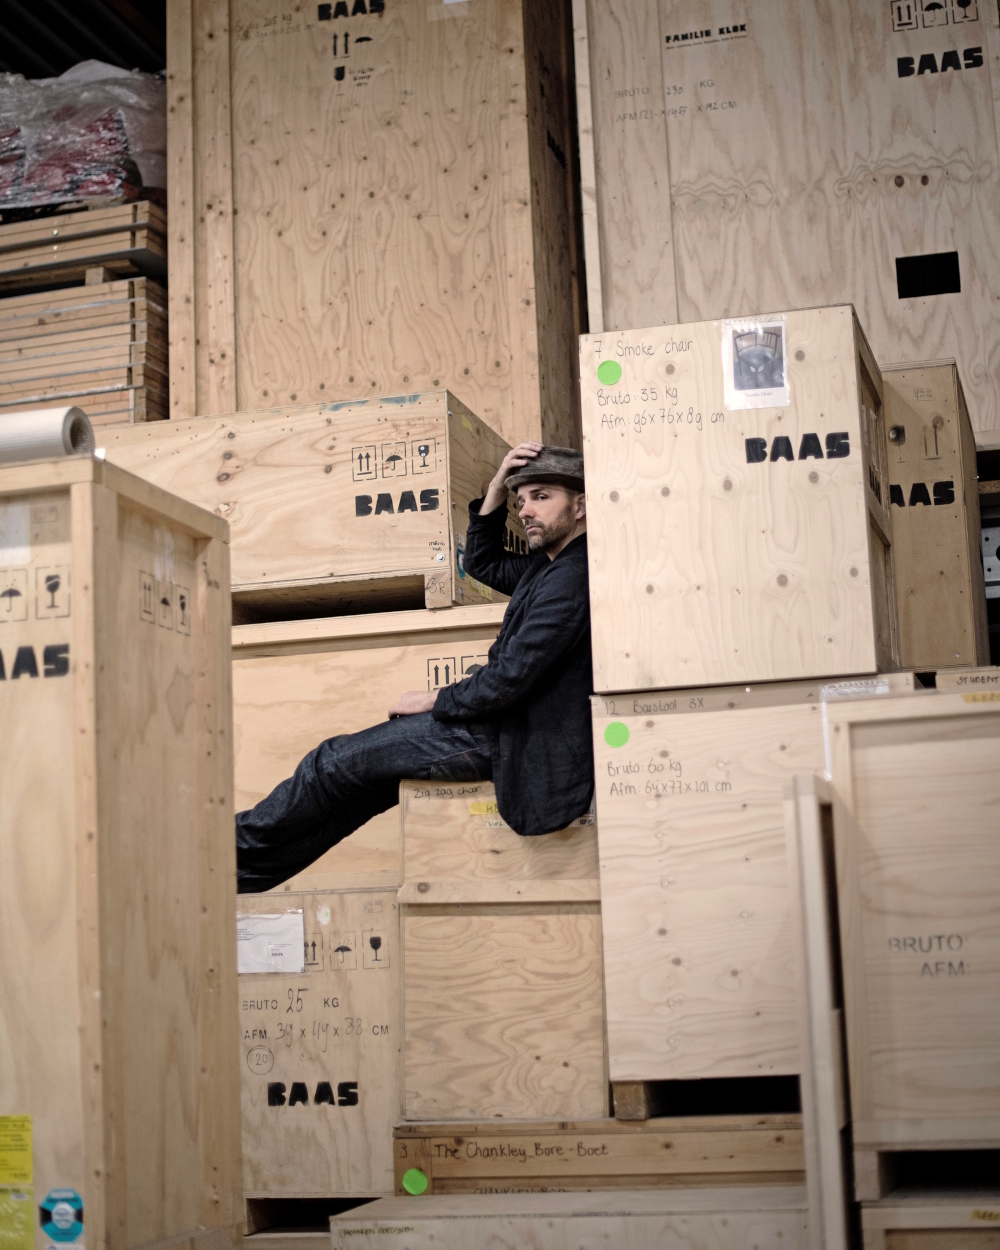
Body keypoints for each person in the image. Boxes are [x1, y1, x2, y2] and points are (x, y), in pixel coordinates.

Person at [236, 442, 594, 893]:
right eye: (521, 500)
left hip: (508, 735)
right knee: (359, 791)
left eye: (542, 497)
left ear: (582, 505)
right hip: (499, 726)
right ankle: (237, 878)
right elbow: (482, 562)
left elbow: (510, 679)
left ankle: (212, 855)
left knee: (329, 765)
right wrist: (497, 486)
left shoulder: (572, 576)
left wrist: (434, 699)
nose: (525, 511)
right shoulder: (548, 567)